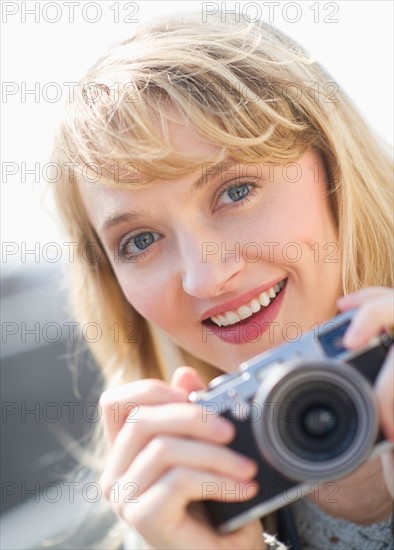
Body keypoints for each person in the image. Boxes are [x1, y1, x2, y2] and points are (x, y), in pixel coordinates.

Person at [50, 11, 393, 550]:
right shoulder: (171, 525)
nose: (206, 277)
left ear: (333, 170)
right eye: (140, 241)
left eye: (235, 191)